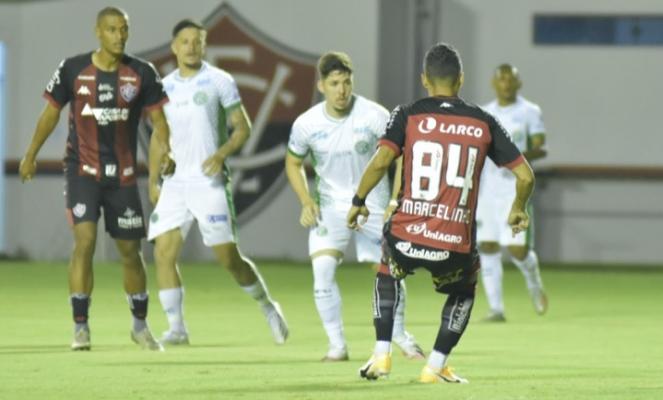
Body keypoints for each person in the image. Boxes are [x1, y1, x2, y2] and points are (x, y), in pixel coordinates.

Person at [349, 43, 535, 383]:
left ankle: (381, 356)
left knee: (387, 271)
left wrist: (358, 200)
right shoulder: (484, 121)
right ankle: (434, 366)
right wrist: (518, 208)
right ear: (460, 80)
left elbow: (381, 163)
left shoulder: (407, 114)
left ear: (424, 80)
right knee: (464, 290)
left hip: (406, 235)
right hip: (453, 245)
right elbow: (525, 175)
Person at [18, 7, 172, 351]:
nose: (119, 36)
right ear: (98, 32)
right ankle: (81, 327)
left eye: (124, 30)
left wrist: (167, 153)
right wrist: (30, 155)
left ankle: (139, 326)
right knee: (84, 241)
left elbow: (159, 124)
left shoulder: (141, 73)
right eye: (112, 29)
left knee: (131, 253)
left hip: (125, 177)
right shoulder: (72, 69)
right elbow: (50, 114)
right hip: (82, 172)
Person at [146, 19, 289, 346]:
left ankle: (268, 307)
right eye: (184, 41)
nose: (191, 46)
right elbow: (159, 136)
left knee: (229, 259)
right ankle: (177, 328)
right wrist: (154, 178)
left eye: (197, 41)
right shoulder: (163, 87)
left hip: (208, 183)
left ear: (204, 45)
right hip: (175, 183)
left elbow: (243, 126)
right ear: (174, 47)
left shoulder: (219, 81)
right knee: (163, 253)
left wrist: (222, 153)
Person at [285, 51, 423, 361]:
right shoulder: (306, 124)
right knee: (322, 271)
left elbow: (403, 156)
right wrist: (306, 200)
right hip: (331, 209)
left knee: (390, 272)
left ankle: (401, 335)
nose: (342, 90)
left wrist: (394, 200)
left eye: (346, 82)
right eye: (334, 83)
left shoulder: (375, 115)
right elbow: (293, 163)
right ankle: (337, 346)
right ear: (321, 86)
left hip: (373, 207)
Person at [477, 64, 548, 321]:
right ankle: (496, 308)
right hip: (487, 189)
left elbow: (541, 147)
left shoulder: (529, 111)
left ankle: (533, 281)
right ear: (494, 83)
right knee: (487, 245)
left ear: (519, 83)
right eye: (501, 79)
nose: (506, 84)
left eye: (511, 79)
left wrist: (513, 158)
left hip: (515, 189)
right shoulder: (484, 113)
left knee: (515, 249)